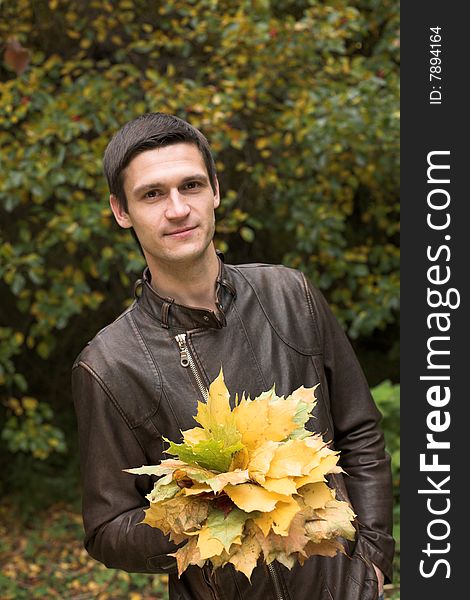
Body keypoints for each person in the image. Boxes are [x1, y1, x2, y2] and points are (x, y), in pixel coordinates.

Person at [72, 112, 394, 600]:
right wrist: (201, 514)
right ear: (121, 211)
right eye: (152, 194)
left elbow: (360, 433)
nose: (178, 209)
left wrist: (371, 562)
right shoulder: (109, 363)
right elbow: (107, 529)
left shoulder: (291, 295)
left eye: (191, 185)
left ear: (215, 191)